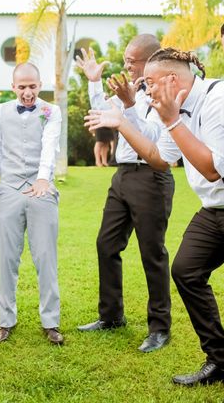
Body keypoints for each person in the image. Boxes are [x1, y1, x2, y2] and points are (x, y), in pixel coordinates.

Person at [86, 44, 224, 403]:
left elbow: (213, 167)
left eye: (151, 83)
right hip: (216, 208)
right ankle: (220, 361)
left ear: (173, 80)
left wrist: (171, 121)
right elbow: (160, 158)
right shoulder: (167, 109)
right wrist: (124, 123)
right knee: (186, 270)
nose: (147, 90)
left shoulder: (219, 99)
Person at [75, 36, 176, 354]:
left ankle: (159, 328)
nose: (126, 64)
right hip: (123, 177)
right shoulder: (124, 90)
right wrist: (94, 83)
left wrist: (131, 106)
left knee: (152, 254)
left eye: (132, 60)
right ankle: (111, 316)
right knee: (106, 244)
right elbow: (103, 116)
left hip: (152, 177)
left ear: (150, 61)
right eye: (126, 59)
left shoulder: (164, 94)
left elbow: (152, 142)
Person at [0, 62, 63, 345]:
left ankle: (51, 323)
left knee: (46, 257)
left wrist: (42, 178)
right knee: (7, 258)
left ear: (40, 85)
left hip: (42, 190)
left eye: (32, 87)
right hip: (9, 189)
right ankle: (5, 321)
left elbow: (50, 144)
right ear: (13, 86)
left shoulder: (51, 111)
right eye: (22, 87)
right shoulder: (0, 112)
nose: (27, 93)